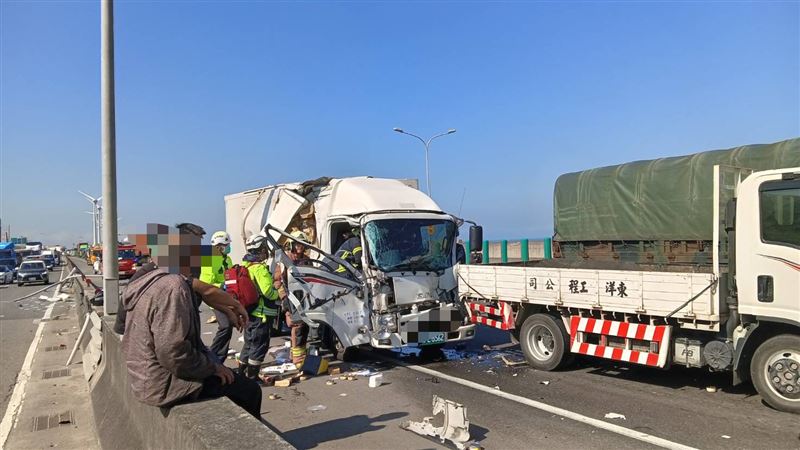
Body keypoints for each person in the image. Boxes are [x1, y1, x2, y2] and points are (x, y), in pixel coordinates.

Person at [120, 225, 261, 417]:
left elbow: (206, 291)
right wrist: (211, 368)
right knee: (250, 391)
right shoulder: (172, 286)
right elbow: (172, 353)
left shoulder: (156, 278)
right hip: (163, 383)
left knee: (227, 373)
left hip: (146, 376)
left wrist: (230, 308)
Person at [238, 234, 280, 381]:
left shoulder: (245, 266)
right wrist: (278, 293)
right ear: (261, 249)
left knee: (249, 344)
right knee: (259, 345)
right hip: (262, 313)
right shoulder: (259, 269)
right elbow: (267, 291)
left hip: (249, 312)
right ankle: (253, 377)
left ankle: (241, 374)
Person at [273, 230, 311, 365]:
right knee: (296, 325)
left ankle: (300, 354)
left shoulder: (306, 260)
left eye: (302, 244)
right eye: (297, 244)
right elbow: (277, 281)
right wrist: (284, 299)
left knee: (304, 325)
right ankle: (297, 358)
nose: (300, 247)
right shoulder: (285, 260)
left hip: (304, 297)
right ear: (292, 244)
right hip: (290, 298)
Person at [201, 231, 234, 360]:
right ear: (220, 246)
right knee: (225, 326)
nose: (229, 247)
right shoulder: (210, 259)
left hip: (224, 296)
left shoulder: (227, 259)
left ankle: (218, 358)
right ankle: (214, 357)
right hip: (214, 296)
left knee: (228, 326)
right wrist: (222, 285)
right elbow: (206, 283)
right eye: (227, 245)